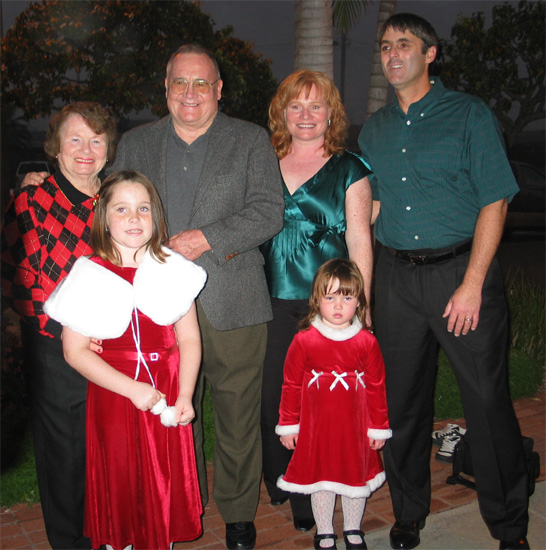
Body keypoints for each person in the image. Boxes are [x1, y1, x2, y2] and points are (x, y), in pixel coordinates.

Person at [358, 13, 530, 550]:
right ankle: (408, 512)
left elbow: (495, 199)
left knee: (487, 402)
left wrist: (473, 282)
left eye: (404, 44)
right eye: (385, 46)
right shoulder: (374, 129)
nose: (392, 55)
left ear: (430, 54)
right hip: (396, 279)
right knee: (402, 403)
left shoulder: (468, 114)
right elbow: (372, 208)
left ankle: (509, 527)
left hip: (460, 272)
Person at [107, 44, 284, 550]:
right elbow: (106, 205)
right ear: (165, 88)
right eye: (180, 83)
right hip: (156, 305)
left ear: (218, 89)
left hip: (233, 299)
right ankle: (183, 503)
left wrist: (206, 237)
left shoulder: (249, 140)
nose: (190, 93)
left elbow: (269, 211)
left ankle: (238, 512)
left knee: (237, 413)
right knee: (173, 410)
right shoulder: (137, 144)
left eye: (201, 83)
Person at [44, 170, 206, 550]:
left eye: (143, 208)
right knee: (121, 480)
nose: (134, 218)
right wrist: (132, 390)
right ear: (104, 218)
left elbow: (190, 339)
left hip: (166, 393)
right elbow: (74, 351)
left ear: (156, 216)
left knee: (162, 484)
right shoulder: (89, 275)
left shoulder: (173, 271)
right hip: (115, 397)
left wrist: (185, 394)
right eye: (122, 209)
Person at [260, 70, 373, 532]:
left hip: (329, 305)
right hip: (268, 300)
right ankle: (281, 478)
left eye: (316, 105)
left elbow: (360, 239)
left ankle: (312, 492)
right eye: (296, 105)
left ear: (331, 114)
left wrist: (361, 307)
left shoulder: (350, 167)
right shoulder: (262, 161)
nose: (305, 115)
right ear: (282, 112)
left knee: (321, 401)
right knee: (274, 396)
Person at [1, 102, 117, 549]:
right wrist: (72, 332)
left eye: (96, 139)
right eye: (75, 139)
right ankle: (71, 541)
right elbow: (16, 280)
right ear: (55, 147)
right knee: (66, 454)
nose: (86, 149)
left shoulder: (119, 200)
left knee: (111, 447)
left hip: (118, 345)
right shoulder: (30, 202)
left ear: (108, 147)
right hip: (56, 348)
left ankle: (111, 531)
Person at [276, 258, 391, 550]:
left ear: (359, 301)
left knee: (354, 480)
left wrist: (378, 427)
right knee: (322, 480)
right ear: (317, 300)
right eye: (330, 298)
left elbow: (376, 387)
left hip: (354, 430)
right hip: (317, 430)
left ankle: (353, 527)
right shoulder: (304, 340)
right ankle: (325, 531)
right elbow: (291, 385)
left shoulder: (366, 342)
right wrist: (289, 424)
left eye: (347, 298)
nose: (338, 306)